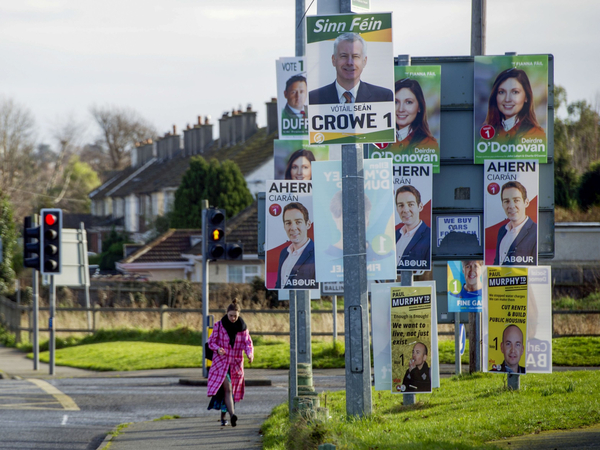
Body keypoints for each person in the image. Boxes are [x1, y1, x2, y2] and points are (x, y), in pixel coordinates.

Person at [309, 32, 393, 105]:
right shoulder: (313, 98)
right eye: (344, 56)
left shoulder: (383, 97)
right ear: (333, 60)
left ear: (364, 61)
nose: (349, 62)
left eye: (355, 56)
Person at [207, 299, 254, 427]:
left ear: (239, 315)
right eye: (230, 315)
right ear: (226, 313)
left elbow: (247, 343)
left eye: (235, 316)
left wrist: (249, 354)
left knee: (230, 392)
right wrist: (217, 348)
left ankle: (224, 417)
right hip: (221, 364)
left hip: (236, 365)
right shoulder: (218, 325)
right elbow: (211, 342)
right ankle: (233, 415)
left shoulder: (243, 328)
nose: (233, 318)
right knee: (227, 389)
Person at [480, 68, 545, 142]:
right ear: (495, 96)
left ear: (526, 97)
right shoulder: (488, 134)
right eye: (501, 92)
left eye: (515, 92)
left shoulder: (536, 134)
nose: (507, 99)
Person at [493, 181, 537, 265]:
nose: (511, 206)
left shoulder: (536, 232)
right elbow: (497, 262)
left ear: (526, 203)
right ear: (502, 204)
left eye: (516, 200)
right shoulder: (502, 230)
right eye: (506, 201)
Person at [275, 202, 316, 289]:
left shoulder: (317, 254)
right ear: (284, 226)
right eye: (288, 223)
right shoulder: (284, 253)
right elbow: (279, 286)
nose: (293, 227)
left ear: (308, 224)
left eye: (298, 222)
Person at [393, 78, 438, 150]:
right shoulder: (380, 142)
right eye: (396, 102)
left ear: (419, 107)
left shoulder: (428, 144)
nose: (400, 109)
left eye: (408, 102)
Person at [395, 185, 430, 269]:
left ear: (420, 207)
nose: (405, 210)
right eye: (401, 205)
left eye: (410, 204)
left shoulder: (429, 236)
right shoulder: (394, 235)